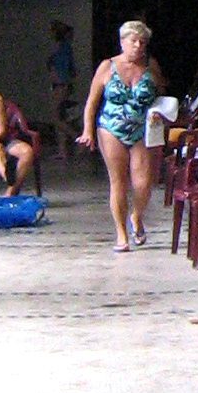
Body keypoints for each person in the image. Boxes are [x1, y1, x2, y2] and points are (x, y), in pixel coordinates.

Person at [78, 20, 166, 251]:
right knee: (118, 182)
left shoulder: (150, 66)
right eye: (133, 41)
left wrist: (158, 112)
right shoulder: (107, 67)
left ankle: (136, 216)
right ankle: (121, 234)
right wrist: (87, 130)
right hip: (111, 127)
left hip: (140, 128)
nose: (137, 46)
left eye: (142, 42)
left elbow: (162, 94)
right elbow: (91, 102)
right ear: (122, 42)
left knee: (143, 183)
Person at [46, 19, 77, 146]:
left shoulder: (63, 48)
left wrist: (62, 83)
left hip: (61, 85)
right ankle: (62, 151)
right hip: (58, 84)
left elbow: (65, 68)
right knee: (60, 116)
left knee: (55, 118)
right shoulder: (61, 47)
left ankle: (78, 138)